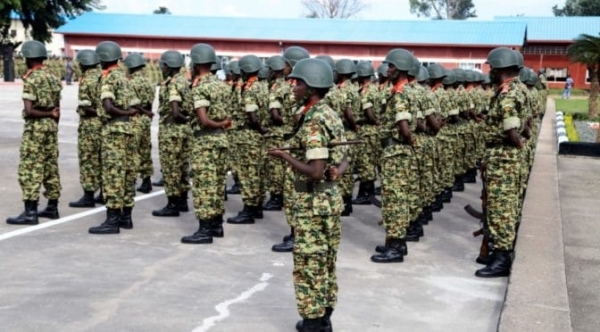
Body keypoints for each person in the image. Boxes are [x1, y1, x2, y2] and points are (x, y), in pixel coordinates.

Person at [267, 57, 345, 332]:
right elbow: (345, 157)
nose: (293, 86)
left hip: (312, 201)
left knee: (310, 261)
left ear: (312, 87)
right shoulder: (329, 113)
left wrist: (284, 156)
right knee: (326, 260)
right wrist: (337, 170)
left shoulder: (314, 120)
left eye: (298, 82)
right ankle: (324, 316)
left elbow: (314, 171)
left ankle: (313, 322)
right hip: (329, 200)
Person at [476, 47, 527, 278]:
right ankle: (499, 253)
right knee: (505, 207)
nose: (490, 71)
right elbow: (525, 126)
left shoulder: (507, 94)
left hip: (503, 158)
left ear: (500, 68)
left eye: (492, 67)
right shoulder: (520, 89)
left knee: (501, 209)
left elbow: (512, 130)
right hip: (508, 158)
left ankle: (502, 259)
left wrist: (516, 146)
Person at [6, 40, 62, 226]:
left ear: (29, 59)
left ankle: (30, 213)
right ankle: (52, 207)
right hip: (51, 128)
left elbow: (29, 111)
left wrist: (45, 114)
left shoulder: (32, 79)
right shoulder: (53, 78)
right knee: (50, 167)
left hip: (35, 129)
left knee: (30, 169)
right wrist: (52, 118)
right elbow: (57, 110)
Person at [370, 48, 418, 263]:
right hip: (397, 151)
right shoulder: (402, 91)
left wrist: (405, 142)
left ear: (398, 69)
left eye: (390, 66)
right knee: (395, 198)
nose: (387, 69)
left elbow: (404, 128)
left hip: (396, 152)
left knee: (395, 200)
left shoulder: (400, 94)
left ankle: (396, 246)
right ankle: (395, 242)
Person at [181, 43, 231, 244]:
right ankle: (217, 225)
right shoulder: (222, 85)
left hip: (205, 141)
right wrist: (223, 124)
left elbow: (204, 120)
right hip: (221, 139)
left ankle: (204, 231)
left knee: (204, 186)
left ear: (196, 63)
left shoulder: (200, 87)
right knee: (218, 184)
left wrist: (216, 123)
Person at [88, 41, 138, 234]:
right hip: (128, 129)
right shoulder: (125, 78)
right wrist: (128, 112)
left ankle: (112, 221)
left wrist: (116, 112)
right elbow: (135, 105)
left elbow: (108, 107)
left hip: (113, 130)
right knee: (126, 174)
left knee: (113, 174)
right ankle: (126, 217)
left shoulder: (108, 79)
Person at [226, 54, 268, 225]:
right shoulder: (263, 86)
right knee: (257, 172)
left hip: (247, 136)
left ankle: (249, 210)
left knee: (248, 173)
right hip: (257, 137)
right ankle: (257, 206)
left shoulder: (249, 89)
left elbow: (252, 116)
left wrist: (258, 128)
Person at [152, 50, 193, 217]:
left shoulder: (173, 83)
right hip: (185, 131)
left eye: (163, 65)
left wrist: (181, 119)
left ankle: (172, 204)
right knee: (183, 166)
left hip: (172, 130)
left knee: (170, 168)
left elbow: (175, 111)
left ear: (168, 66)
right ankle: (182, 202)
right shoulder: (185, 81)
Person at [68, 50, 103, 209]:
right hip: (104, 124)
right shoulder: (104, 77)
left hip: (90, 125)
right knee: (102, 159)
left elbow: (86, 107)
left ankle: (88, 196)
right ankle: (104, 193)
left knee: (88, 160)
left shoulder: (87, 81)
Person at [123, 53, 155, 194]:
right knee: (145, 150)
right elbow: (150, 103)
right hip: (146, 120)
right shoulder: (149, 82)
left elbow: (131, 104)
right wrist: (148, 114)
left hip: (134, 118)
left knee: (132, 152)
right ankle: (146, 181)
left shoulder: (129, 82)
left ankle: (131, 184)